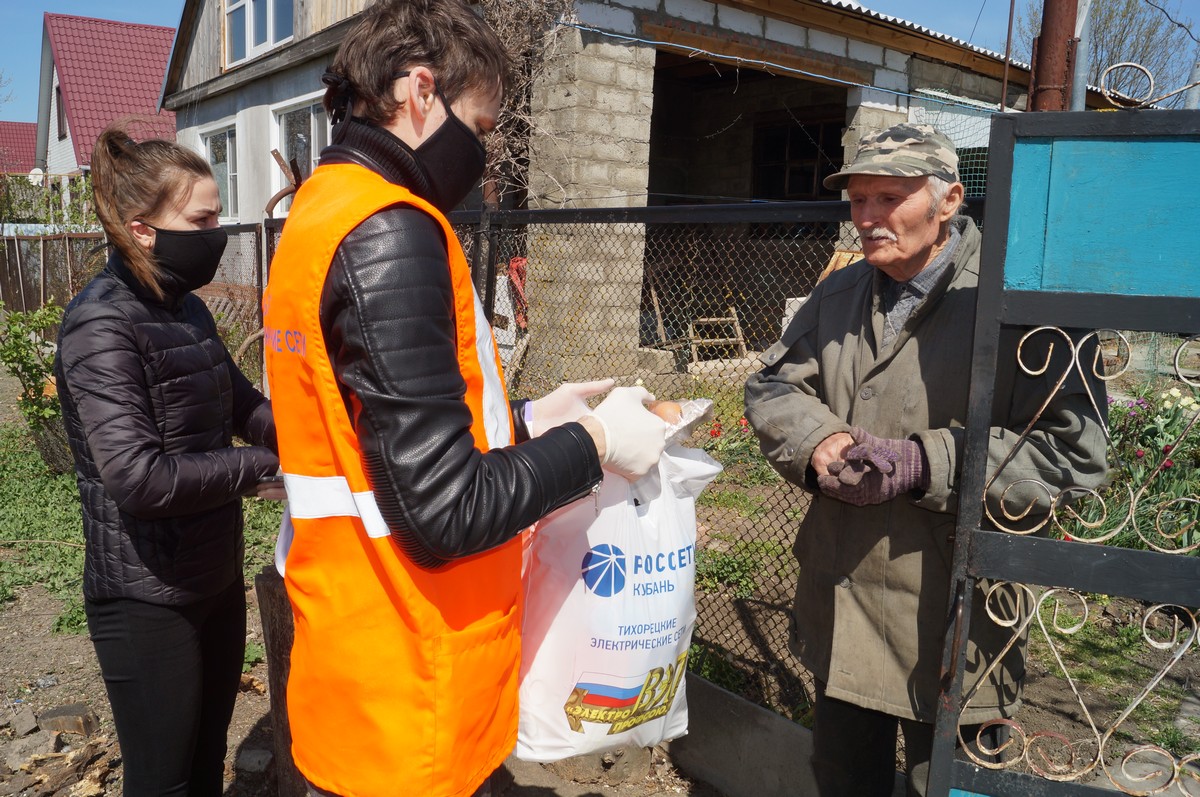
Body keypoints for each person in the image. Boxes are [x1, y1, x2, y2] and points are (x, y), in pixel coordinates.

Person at [261, 2, 667, 795]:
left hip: (358, 659)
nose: (479, 154)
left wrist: (525, 422)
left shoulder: (319, 212)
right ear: (421, 91)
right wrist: (594, 444)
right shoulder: (392, 229)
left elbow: (376, 439)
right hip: (414, 684)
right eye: (479, 129)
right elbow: (444, 510)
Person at [743, 123, 1108, 796]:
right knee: (843, 777)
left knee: (941, 784)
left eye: (890, 197)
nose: (868, 218)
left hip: (954, 622)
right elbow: (771, 385)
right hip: (842, 599)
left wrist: (926, 461)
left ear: (949, 201)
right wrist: (818, 439)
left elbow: (1074, 453)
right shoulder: (839, 294)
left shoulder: (1015, 301)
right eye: (857, 201)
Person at [54, 122, 283, 796]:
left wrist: (321, 433)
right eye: (203, 217)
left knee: (206, 763)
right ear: (143, 228)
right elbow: (137, 476)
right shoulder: (100, 324)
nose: (219, 231)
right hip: (144, 599)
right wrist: (262, 472)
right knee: (163, 782)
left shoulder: (187, 312)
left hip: (211, 577)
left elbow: (244, 405)